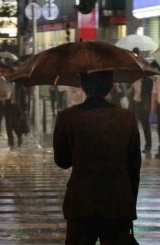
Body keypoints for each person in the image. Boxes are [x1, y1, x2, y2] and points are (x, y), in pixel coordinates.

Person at [53, 71, 141, 245]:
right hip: (118, 203)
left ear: (83, 86)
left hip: (81, 202)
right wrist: (130, 204)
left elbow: (62, 161)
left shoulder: (67, 117)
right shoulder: (127, 118)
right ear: (111, 86)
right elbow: (134, 167)